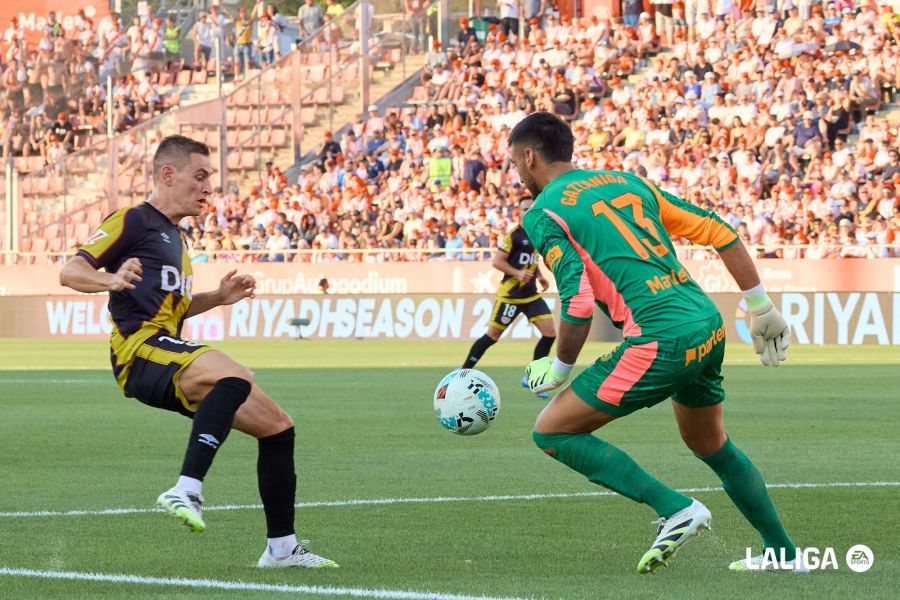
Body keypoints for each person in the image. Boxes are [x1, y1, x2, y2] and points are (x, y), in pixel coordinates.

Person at [509, 112, 801, 573]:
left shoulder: (542, 212)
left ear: (529, 157)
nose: (516, 174)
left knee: (552, 431)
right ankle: (784, 554)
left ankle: (676, 509)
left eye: (514, 164)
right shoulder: (625, 181)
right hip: (706, 323)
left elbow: (577, 301)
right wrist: (761, 305)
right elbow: (718, 230)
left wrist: (559, 367)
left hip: (658, 337)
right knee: (710, 444)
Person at [58, 135, 337, 569]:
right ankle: (186, 489)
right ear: (168, 174)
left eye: (211, 178)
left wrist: (218, 298)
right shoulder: (133, 220)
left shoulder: (175, 237)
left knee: (278, 427)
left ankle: (282, 550)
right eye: (201, 176)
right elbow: (71, 270)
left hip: (165, 348)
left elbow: (175, 308)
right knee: (235, 375)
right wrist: (110, 280)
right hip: (139, 351)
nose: (209, 187)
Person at [461, 196, 557, 398]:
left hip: (531, 295)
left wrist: (540, 276)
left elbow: (531, 260)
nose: (528, 211)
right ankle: (463, 372)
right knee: (492, 336)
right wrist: (518, 273)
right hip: (510, 296)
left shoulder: (537, 232)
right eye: (524, 209)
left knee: (550, 333)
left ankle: (532, 377)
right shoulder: (513, 235)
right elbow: (497, 261)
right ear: (518, 213)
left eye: (531, 208)